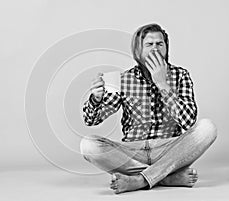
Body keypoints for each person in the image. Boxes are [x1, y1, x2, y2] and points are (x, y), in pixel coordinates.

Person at [80, 23, 217, 194]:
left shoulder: (181, 75)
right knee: (88, 145)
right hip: (132, 151)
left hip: (169, 149)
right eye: (149, 44)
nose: (155, 49)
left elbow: (189, 122)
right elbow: (91, 120)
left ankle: (139, 180)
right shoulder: (123, 79)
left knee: (207, 127)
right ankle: (165, 177)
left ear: (166, 48)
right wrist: (96, 98)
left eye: (160, 44)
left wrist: (162, 83)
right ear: (138, 50)